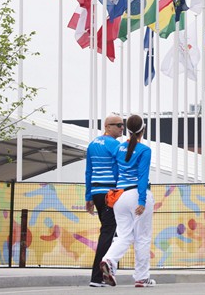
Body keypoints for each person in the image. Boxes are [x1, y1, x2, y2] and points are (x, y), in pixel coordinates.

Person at [100, 114, 156, 288]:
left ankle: (109, 260)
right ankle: (142, 277)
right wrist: (142, 200)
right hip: (136, 195)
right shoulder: (144, 150)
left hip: (120, 196)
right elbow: (142, 176)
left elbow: (116, 172)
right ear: (143, 130)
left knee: (124, 235)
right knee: (142, 237)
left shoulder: (119, 148)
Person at [84, 114, 123, 287]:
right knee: (108, 231)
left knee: (110, 231)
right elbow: (119, 170)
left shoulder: (92, 144)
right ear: (107, 126)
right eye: (118, 125)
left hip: (97, 193)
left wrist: (88, 196)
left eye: (123, 125)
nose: (122, 128)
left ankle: (106, 273)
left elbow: (88, 171)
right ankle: (97, 276)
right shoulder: (115, 145)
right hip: (110, 193)